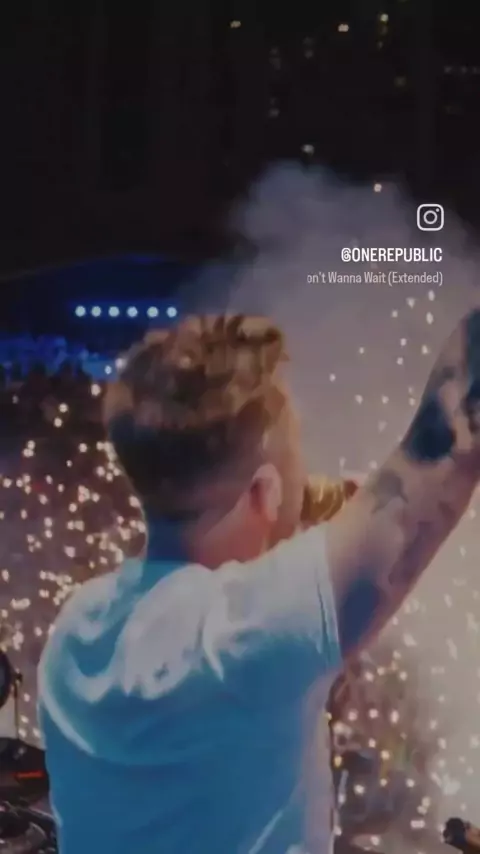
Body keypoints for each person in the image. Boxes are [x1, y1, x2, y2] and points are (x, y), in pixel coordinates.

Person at [38, 311, 480, 854]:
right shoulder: (244, 635)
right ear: (264, 494)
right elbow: (448, 441)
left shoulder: (75, 630)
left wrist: (298, 500)